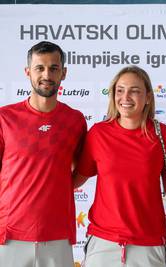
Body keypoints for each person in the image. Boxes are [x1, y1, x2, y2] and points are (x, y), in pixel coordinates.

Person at [73, 65, 166, 267]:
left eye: (135, 90)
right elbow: (76, 179)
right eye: (120, 90)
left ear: (148, 97)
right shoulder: (98, 134)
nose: (126, 97)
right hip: (103, 244)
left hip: (148, 245)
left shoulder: (162, 134)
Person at [0, 41, 87, 267]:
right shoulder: (5, 118)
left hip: (57, 234)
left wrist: (58, 187)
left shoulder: (75, 120)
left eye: (54, 68)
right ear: (28, 72)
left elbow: (82, 170)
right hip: (9, 235)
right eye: (39, 68)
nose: (46, 74)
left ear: (64, 73)